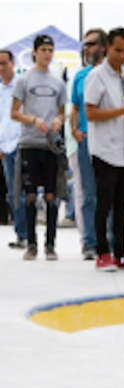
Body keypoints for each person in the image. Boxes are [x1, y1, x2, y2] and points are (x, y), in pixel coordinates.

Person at [84, 27, 124, 271]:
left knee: (122, 203)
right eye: (118, 50)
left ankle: (121, 252)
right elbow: (90, 112)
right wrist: (122, 112)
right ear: (107, 46)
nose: (121, 56)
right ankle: (102, 252)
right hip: (103, 149)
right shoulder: (96, 76)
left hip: (122, 149)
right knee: (104, 202)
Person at [11, 34, 67, 261]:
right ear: (34, 52)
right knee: (31, 196)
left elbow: (63, 112)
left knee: (52, 196)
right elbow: (14, 113)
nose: (47, 54)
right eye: (43, 49)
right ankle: (31, 244)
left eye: (50, 50)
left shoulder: (58, 82)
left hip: (50, 147)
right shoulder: (23, 80)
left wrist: (58, 121)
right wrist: (33, 120)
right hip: (29, 144)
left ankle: (50, 244)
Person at [71, 28, 107, 260]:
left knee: (109, 193)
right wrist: (74, 129)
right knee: (88, 193)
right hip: (85, 141)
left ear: (104, 47)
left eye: (92, 44)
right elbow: (74, 107)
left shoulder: (113, 75)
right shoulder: (80, 76)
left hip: (108, 141)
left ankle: (109, 242)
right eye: (85, 44)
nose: (87, 49)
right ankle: (89, 243)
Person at [0, 48, 25, 249]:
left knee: (22, 191)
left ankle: (26, 234)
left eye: (4, 63)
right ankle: (21, 234)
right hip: (4, 147)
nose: (1, 68)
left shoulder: (21, 85)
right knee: (12, 191)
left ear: (13, 63)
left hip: (21, 143)